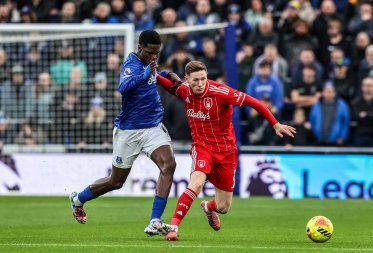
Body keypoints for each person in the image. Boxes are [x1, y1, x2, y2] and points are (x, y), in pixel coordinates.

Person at [156, 61, 296, 241]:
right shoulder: (185, 91)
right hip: (203, 147)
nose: (200, 84)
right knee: (196, 182)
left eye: (203, 79)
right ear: (187, 80)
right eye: (195, 80)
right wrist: (152, 73)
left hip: (226, 151)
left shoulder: (221, 92)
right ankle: (173, 227)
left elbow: (253, 102)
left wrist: (275, 123)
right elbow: (163, 82)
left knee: (223, 207)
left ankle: (208, 207)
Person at [69, 30, 182, 237]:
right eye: (150, 52)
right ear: (140, 48)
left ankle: (155, 221)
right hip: (128, 131)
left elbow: (152, 77)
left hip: (153, 127)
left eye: (157, 53)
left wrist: (165, 75)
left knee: (169, 165)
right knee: (116, 182)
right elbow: (124, 87)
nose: (153, 56)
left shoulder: (150, 64)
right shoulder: (130, 64)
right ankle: (78, 199)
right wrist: (147, 72)